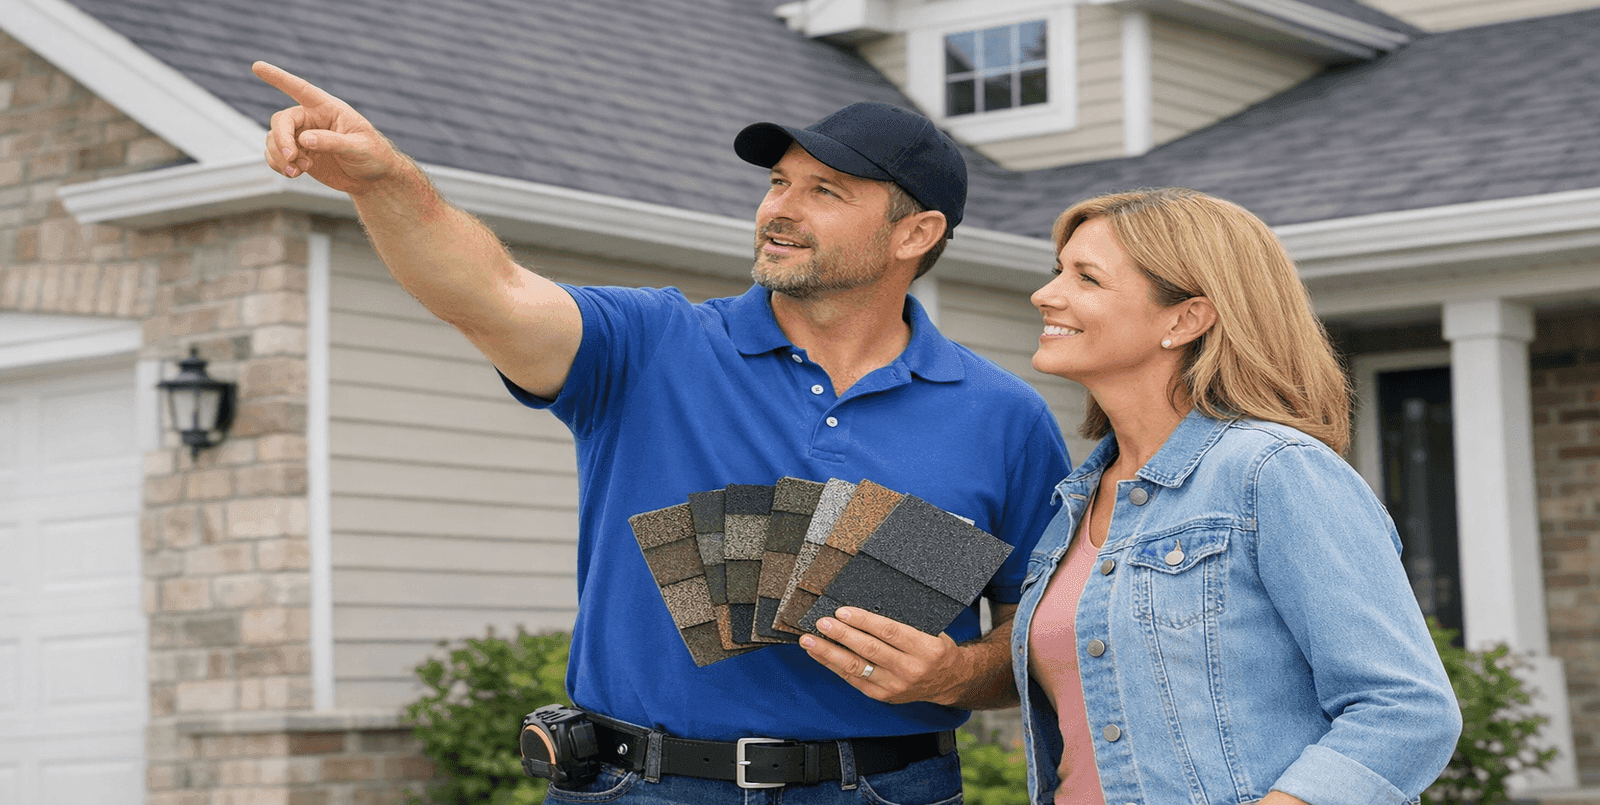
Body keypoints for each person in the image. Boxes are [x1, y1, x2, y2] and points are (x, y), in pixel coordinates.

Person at [253, 61, 1071, 805]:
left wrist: (958, 671)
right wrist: (384, 182)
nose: (779, 208)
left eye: (825, 191)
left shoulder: (1004, 416)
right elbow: (488, 291)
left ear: (915, 234)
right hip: (641, 786)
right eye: (778, 183)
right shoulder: (648, 345)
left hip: (891, 790)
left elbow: (1037, 636)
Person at [1011, 188, 1461, 805]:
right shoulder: (1075, 501)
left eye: (1086, 278)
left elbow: (1406, 711)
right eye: (1057, 271)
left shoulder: (1273, 472)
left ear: (1185, 318)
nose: (1046, 294)